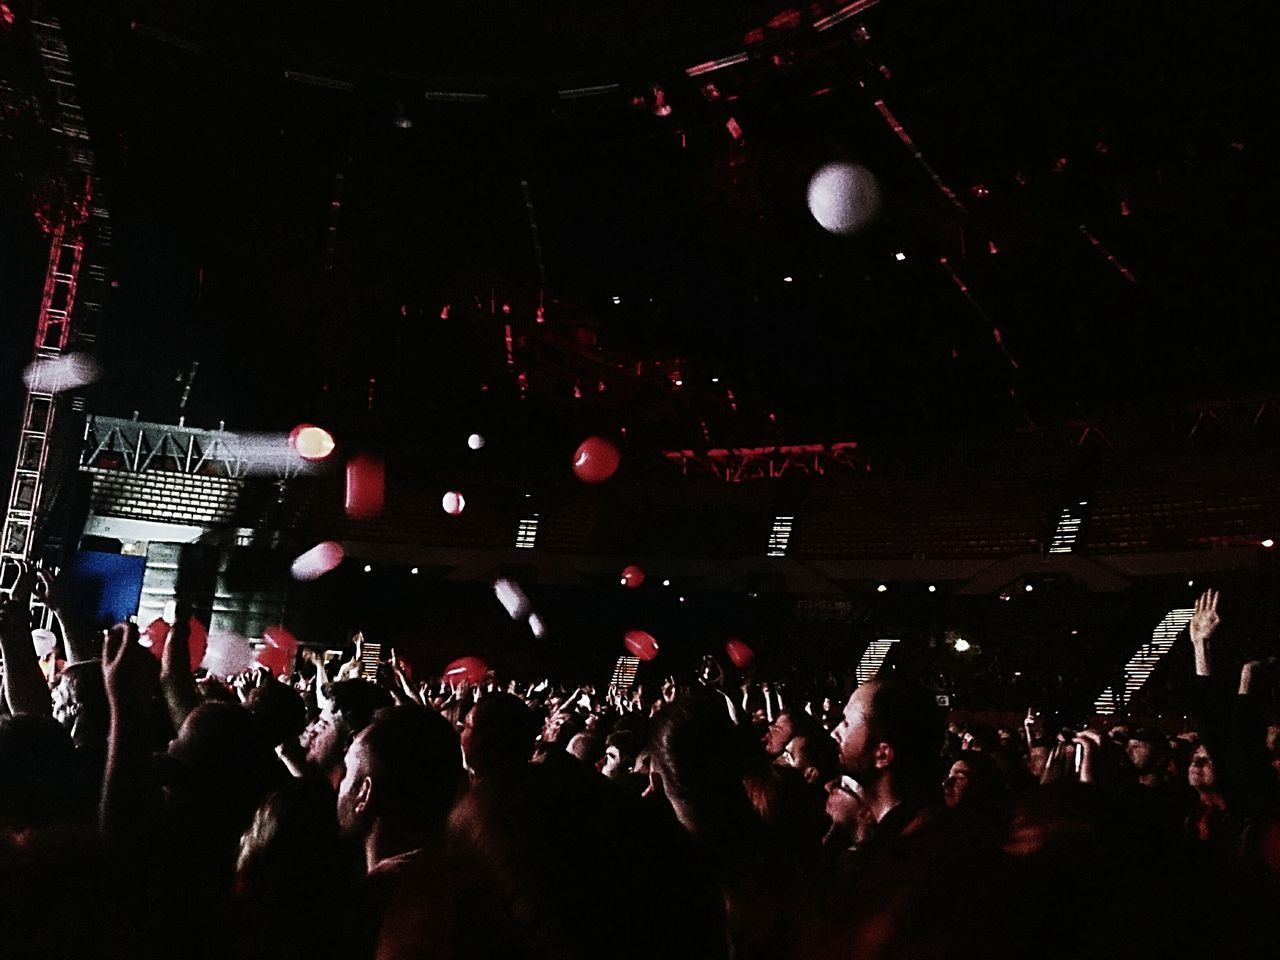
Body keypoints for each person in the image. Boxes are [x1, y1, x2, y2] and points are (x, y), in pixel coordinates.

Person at [336, 705, 465, 960]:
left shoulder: (395, 907)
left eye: (347, 772)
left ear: (364, 794)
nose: (339, 786)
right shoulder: (451, 878)